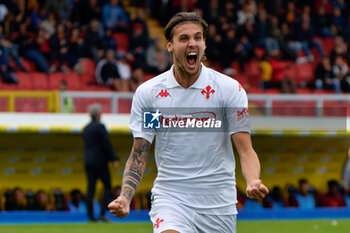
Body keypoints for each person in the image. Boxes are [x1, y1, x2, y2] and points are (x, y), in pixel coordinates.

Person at [108, 12, 268, 232]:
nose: (192, 43)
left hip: (218, 203)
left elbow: (246, 150)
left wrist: (252, 181)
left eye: (198, 37)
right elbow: (139, 153)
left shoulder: (228, 90)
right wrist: (125, 197)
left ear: (204, 44)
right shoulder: (151, 94)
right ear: (170, 46)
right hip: (171, 198)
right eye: (184, 38)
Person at [82, 103, 120, 222]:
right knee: (107, 187)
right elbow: (106, 144)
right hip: (100, 161)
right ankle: (103, 213)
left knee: (90, 190)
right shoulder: (100, 127)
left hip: (88, 161)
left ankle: (90, 216)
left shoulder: (86, 128)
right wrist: (114, 158)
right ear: (98, 115)